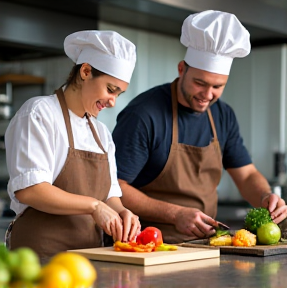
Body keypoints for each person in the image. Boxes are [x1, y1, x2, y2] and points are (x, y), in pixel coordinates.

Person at [112, 10, 287, 244]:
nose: (207, 95)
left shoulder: (223, 115)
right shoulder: (144, 114)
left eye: (218, 86)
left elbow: (246, 175)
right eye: (199, 83)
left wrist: (266, 196)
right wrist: (175, 214)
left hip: (203, 245)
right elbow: (114, 187)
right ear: (182, 69)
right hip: (146, 245)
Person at [4, 30, 141, 259]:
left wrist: (124, 213)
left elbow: (110, 196)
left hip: (92, 259)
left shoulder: (102, 133)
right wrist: (94, 207)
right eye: (110, 89)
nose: (113, 102)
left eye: (119, 94)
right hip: (42, 258)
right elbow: (31, 189)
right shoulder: (39, 113)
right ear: (86, 71)